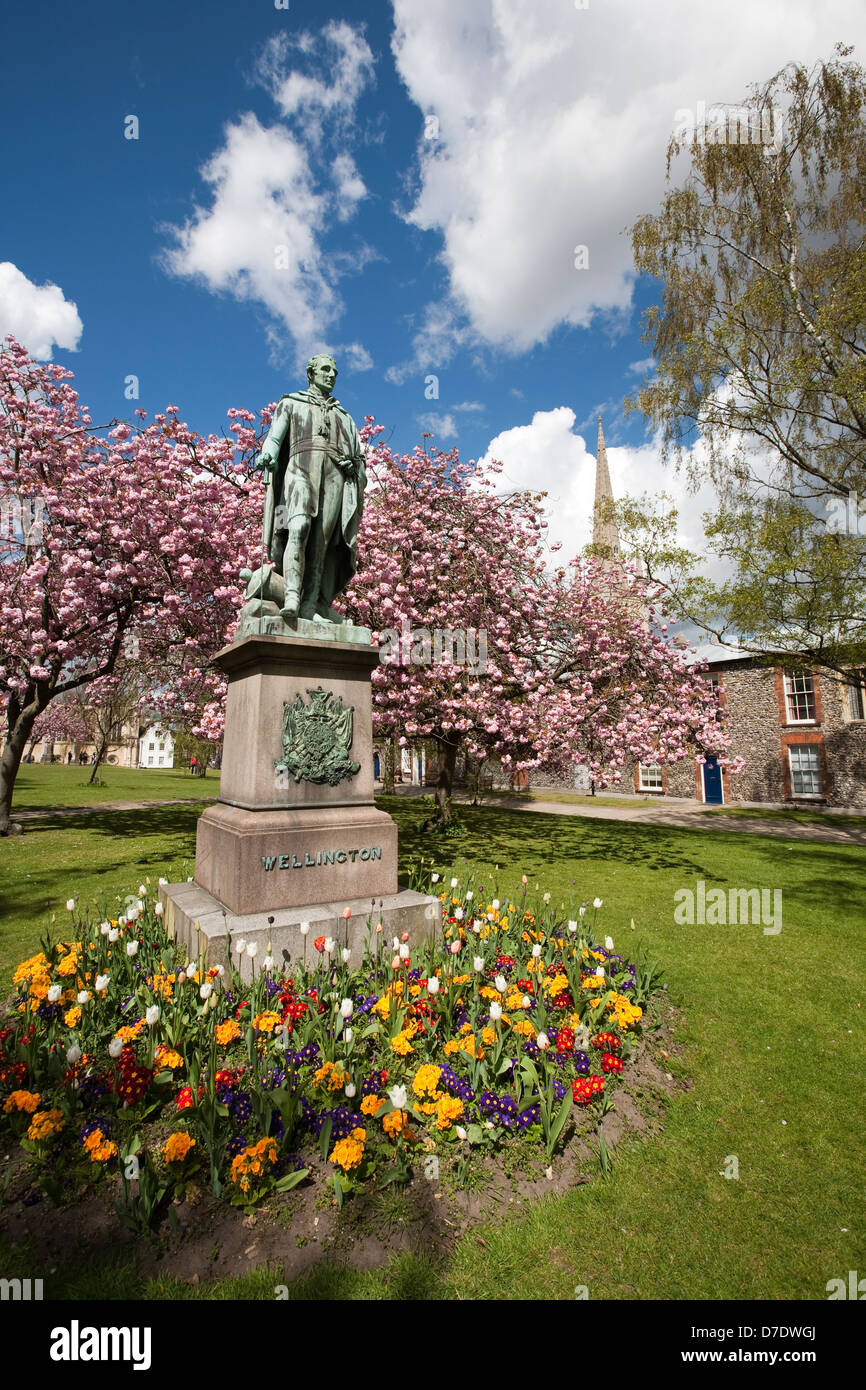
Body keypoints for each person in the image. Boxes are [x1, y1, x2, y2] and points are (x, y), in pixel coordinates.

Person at [250, 354, 365, 623]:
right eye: (325, 369)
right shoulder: (291, 402)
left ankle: (310, 605)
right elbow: (275, 437)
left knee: (322, 544)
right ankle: (291, 594)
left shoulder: (344, 416)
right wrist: (267, 453)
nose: (331, 375)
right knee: (298, 526)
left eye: (335, 371)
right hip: (299, 468)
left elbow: (358, 457)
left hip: (334, 477)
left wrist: (353, 465)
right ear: (311, 373)